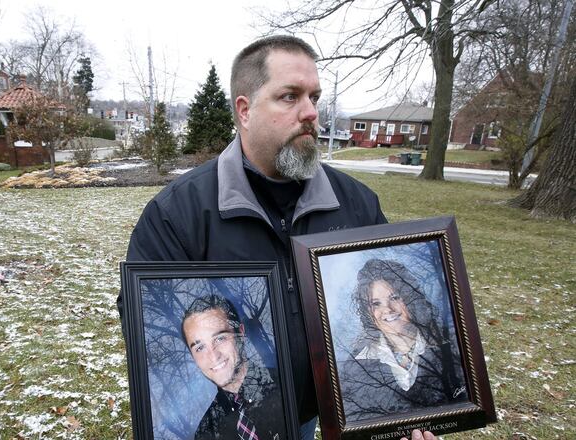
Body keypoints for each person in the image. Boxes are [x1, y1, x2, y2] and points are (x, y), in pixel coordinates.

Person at [121, 35, 438, 439]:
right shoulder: (177, 215)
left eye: (314, 98)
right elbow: (145, 324)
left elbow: (388, 313)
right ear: (244, 110)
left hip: (335, 408)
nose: (310, 113)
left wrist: (408, 416)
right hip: (249, 417)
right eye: (290, 96)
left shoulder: (357, 205)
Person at [339, 259, 468, 422]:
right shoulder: (355, 366)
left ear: (409, 297)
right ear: (367, 311)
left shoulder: (450, 347)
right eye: (376, 303)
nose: (387, 309)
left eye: (394, 297)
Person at [181, 295, 285, 439]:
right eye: (200, 348)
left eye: (219, 338)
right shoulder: (206, 431)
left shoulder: (286, 386)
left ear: (240, 333)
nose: (213, 356)